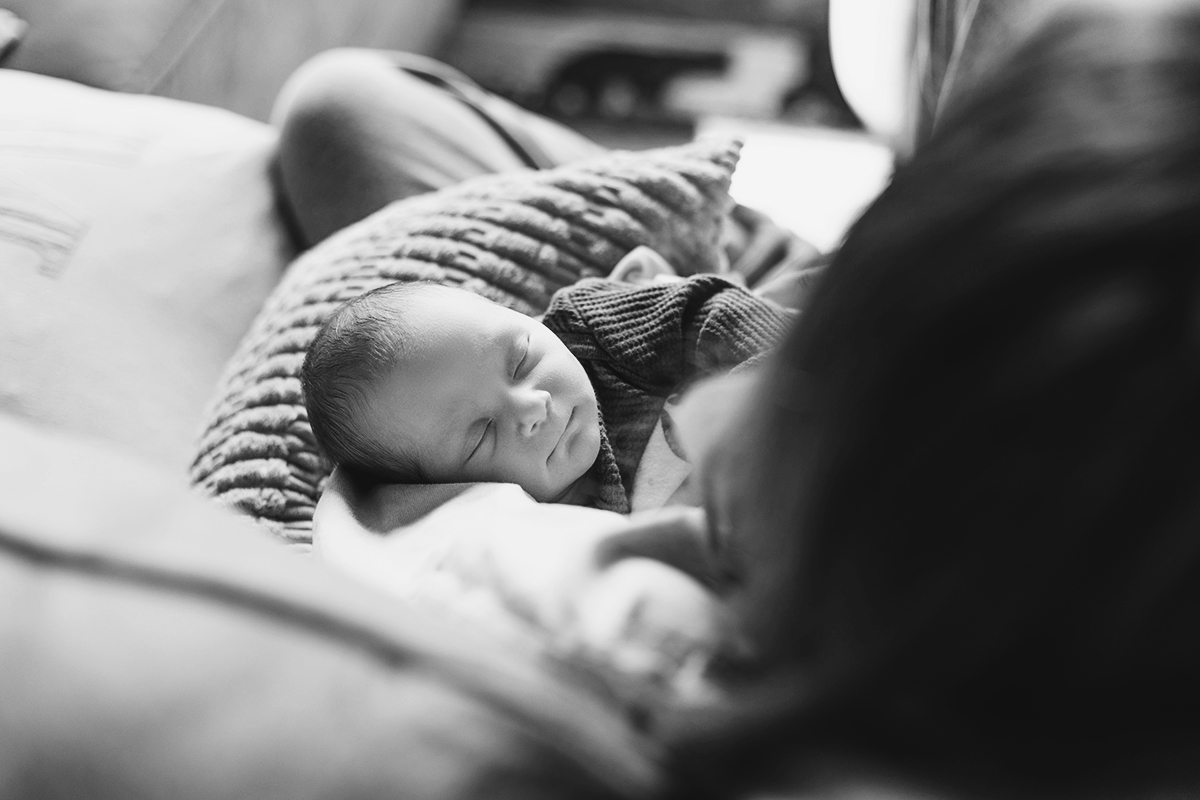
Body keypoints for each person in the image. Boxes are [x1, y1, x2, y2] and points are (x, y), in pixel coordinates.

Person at [310, 1, 1200, 796]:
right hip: (804, 303)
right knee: (347, 105)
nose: (530, 407)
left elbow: (413, 526)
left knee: (345, 117)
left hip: (783, 328)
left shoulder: (616, 609)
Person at [300, 263, 793, 514]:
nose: (532, 406)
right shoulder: (520, 521)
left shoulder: (593, 334)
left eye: (521, 360)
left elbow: (715, 312)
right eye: (481, 435)